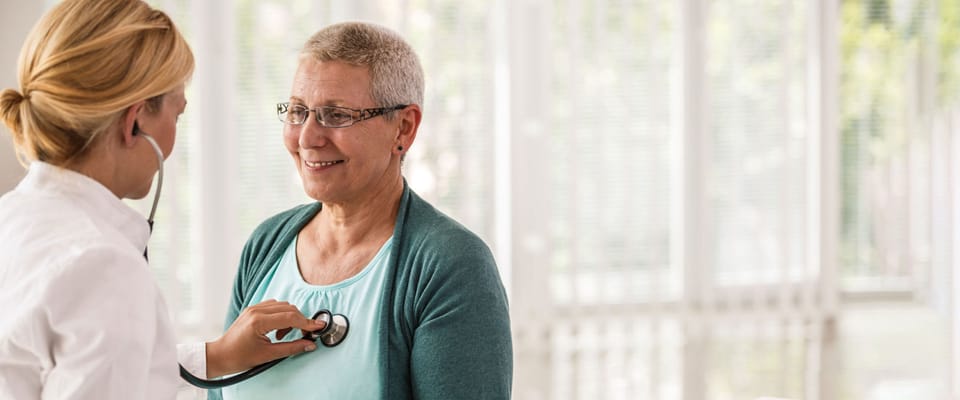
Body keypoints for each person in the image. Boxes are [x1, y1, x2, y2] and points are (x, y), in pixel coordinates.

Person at [0, 1, 324, 398]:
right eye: (177, 114)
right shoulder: (102, 266)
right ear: (136, 122)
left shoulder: (12, 219)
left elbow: (73, 369)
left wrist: (217, 355)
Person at [211, 22, 513, 400]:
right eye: (297, 111)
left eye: (336, 115)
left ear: (403, 128)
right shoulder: (266, 246)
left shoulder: (450, 265)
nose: (307, 138)